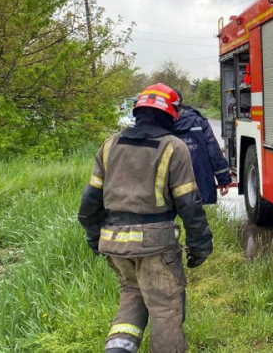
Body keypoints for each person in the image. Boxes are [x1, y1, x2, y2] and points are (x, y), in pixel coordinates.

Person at [78, 83, 213, 353]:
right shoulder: (173, 147)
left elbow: (89, 202)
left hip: (115, 243)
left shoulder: (109, 145)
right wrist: (200, 246)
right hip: (155, 245)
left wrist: (95, 238)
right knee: (165, 309)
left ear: (138, 111)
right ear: (172, 113)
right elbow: (189, 204)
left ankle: (117, 349)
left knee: (132, 295)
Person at [173, 90, 235, 204]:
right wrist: (223, 180)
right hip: (200, 182)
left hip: (171, 185)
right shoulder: (199, 121)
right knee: (196, 218)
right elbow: (214, 151)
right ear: (182, 101)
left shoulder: (161, 124)